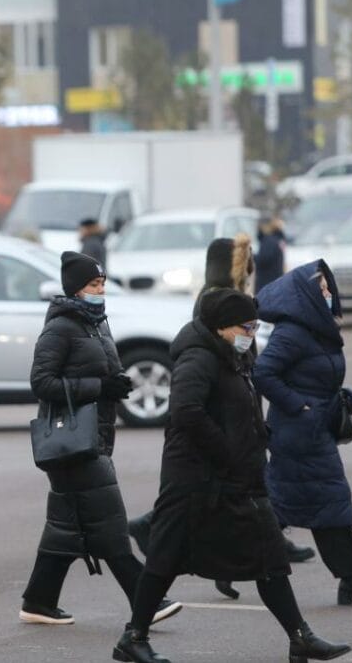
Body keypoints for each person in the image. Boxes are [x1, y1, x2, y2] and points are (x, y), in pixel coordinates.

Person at [111, 289, 351, 663]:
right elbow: (186, 413)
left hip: (238, 477)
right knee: (164, 559)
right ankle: (133, 638)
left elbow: (240, 408)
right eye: (246, 326)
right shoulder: (198, 358)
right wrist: (227, 452)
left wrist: (256, 440)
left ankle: (299, 637)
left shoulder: (234, 354)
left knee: (270, 555)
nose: (251, 333)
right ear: (221, 327)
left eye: (255, 326)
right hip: (194, 479)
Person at [127, 233, 315, 595]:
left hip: (236, 418)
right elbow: (191, 404)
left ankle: (269, 573)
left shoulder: (227, 300)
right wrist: (228, 441)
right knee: (179, 534)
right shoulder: (215, 305)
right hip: (217, 435)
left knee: (230, 511)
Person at [20, 252, 181, 627]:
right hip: (72, 442)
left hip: (94, 436)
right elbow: (41, 383)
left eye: (102, 284)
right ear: (76, 289)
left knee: (66, 526)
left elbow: (105, 369)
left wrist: (117, 384)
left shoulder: (95, 323)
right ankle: (146, 600)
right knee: (109, 521)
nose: (100, 290)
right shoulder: (60, 327)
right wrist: (98, 387)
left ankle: (38, 600)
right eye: (94, 285)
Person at [254, 261, 352, 607]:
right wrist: (299, 405)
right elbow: (263, 372)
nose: (329, 295)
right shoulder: (294, 332)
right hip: (299, 434)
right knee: (328, 503)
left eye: (329, 289)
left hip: (313, 431)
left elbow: (319, 377)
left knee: (296, 504)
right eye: (323, 290)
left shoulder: (317, 329)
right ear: (305, 296)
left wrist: (341, 400)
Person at [254, 216, 286, 294]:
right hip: (275, 282)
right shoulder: (277, 239)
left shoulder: (268, 241)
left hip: (266, 284)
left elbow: (263, 259)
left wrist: (251, 256)